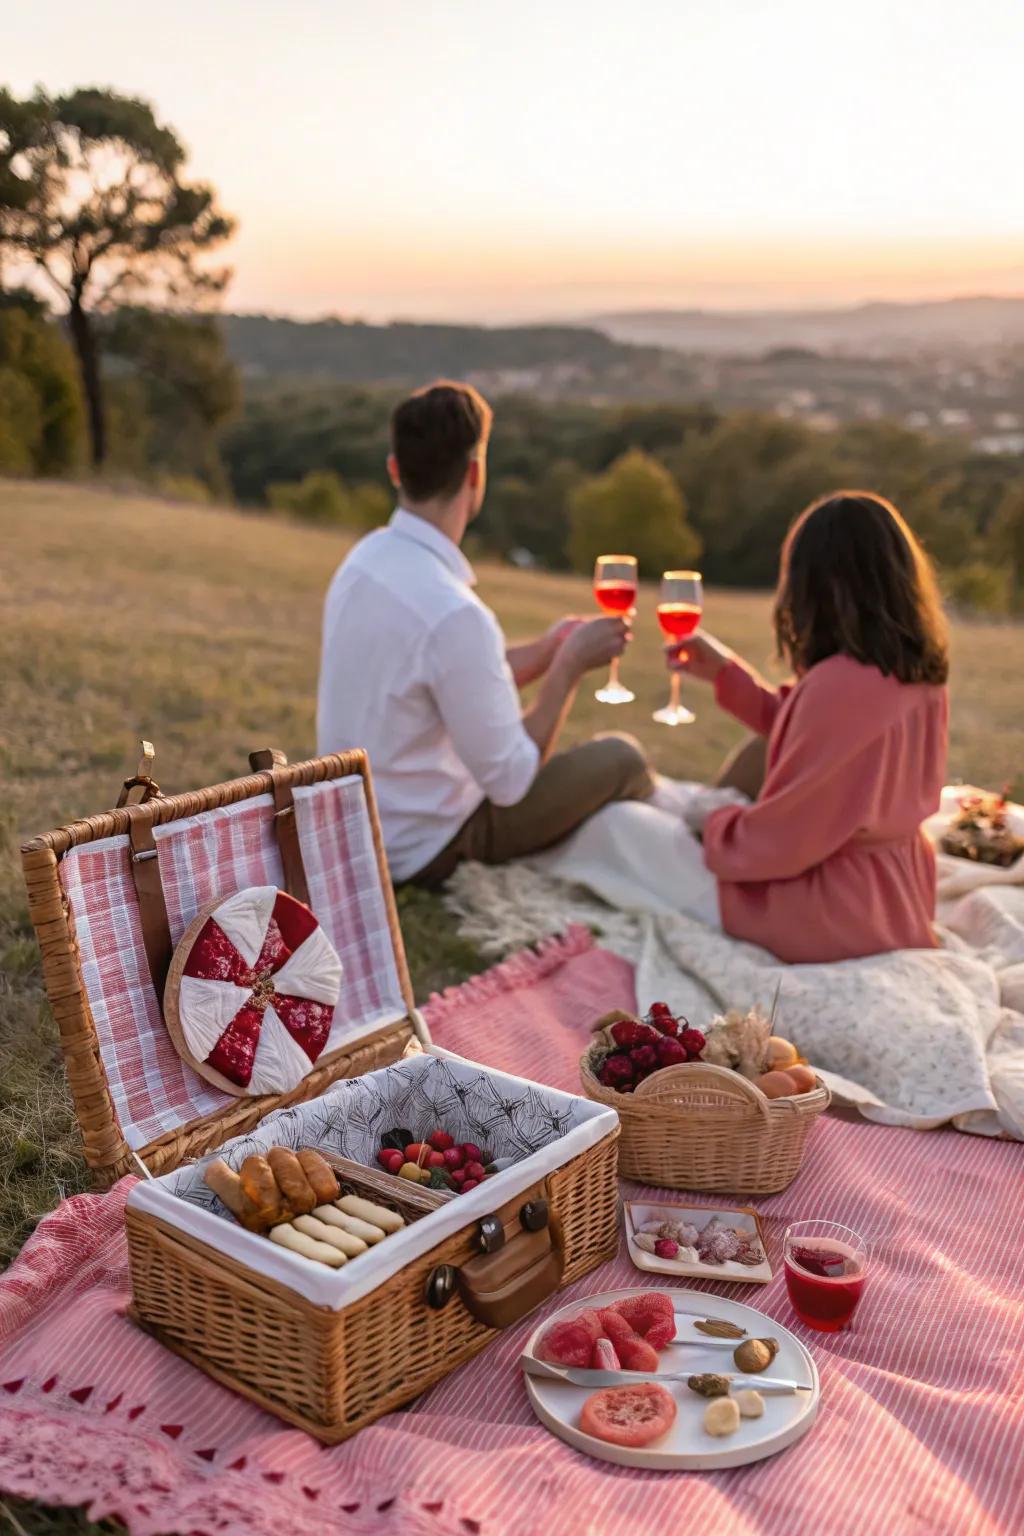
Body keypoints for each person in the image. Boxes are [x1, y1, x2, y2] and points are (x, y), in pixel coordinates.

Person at [317, 380, 655, 885]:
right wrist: (565, 671)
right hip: (421, 847)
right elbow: (512, 782)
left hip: (357, 826)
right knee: (621, 757)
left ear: (395, 470)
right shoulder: (454, 613)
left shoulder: (364, 561)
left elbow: (454, 679)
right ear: (475, 473)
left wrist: (543, 652)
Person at [667, 490, 950, 963]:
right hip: (895, 895)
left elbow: (783, 841)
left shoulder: (841, 683)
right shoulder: (916, 669)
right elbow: (822, 741)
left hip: (829, 911)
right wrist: (726, 674)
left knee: (615, 830)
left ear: (815, 582)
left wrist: (715, 819)